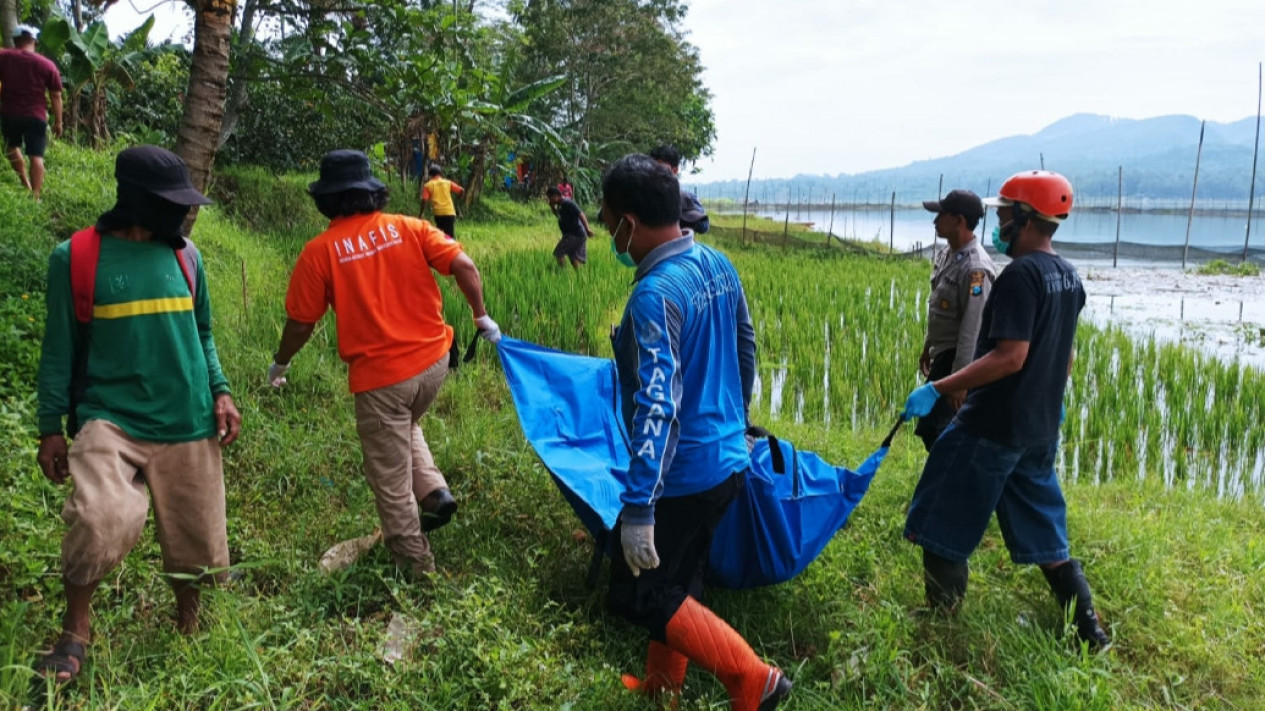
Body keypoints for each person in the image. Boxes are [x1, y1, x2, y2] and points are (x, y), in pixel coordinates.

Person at [33, 146, 240, 683]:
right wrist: (50, 427)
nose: (184, 214)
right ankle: (75, 632)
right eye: (173, 204)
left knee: (199, 544)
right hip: (111, 420)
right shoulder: (76, 258)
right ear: (136, 201)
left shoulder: (187, 258)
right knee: (98, 518)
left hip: (187, 417)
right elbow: (58, 350)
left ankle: (189, 624)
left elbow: (202, 334)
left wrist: (220, 391)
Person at [600, 153, 791, 710]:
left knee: (641, 591)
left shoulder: (655, 295)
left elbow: (658, 405)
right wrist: (734, 420)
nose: (609, 235)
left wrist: (640, 506)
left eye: (608, 222)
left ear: (629, 222)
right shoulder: (716, 263)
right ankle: (664, 685)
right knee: (680, 578)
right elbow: (746, 347)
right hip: (727, 459)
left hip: (683, 472)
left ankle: (753, 678)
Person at [900, 170, 1111, 651]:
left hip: (990, 425)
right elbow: (1065, 354)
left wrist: (939, 388)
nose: (998, 225)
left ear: (1027, 220)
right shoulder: (1069, 276)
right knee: (1044, 530)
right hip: (1038, 428)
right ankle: (1090, 630)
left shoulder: (1020, 275)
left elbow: (1010, 356)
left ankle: (942, 618)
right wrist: (1048, 398)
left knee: (939, 517)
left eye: (1004, 217)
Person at [269, 149, 500, 580]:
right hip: (434, 364)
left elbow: (301, 323)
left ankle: (416, 571)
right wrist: (480, 317)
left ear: (326, 200)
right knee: (404, 423)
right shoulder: (409, 227)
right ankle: (434, 494)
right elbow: (464, 265)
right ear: (372, 193)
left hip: (382, 381)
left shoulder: (320, 252)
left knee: (390, 481)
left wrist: (280, 363)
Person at [914, 189, 996, 451]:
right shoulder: (947, 253)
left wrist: (961, 381)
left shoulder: (975, 268)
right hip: (943, 354)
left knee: (938, 427)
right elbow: (939, 308)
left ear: (959, 220)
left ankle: (950, 475)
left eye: (941, 215)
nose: (935, 221)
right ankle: (947, 473)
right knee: (932, 425)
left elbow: (973, 328)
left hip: (959, 360)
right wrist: (928, 347)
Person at [0, 24, 63, 201]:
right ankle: (35, 196)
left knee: (12, 148)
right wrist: (59, 122)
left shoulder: (3, 57)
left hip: (10, 113)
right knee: (36, 156)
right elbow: (56, 96)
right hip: (36, 116)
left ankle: (25, 182)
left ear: (15, 41)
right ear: (34, 41)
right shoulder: (47, 64)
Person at [648, 144, 710, 234]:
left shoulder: (686, 197)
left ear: (675, 170)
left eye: (661, 169)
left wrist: (685, 216)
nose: (656, 173)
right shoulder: (645, 196)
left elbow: (703, 226)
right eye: (652, 168)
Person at [546, 185, 593, 268]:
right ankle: (579, 275)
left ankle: (563, 272)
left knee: (559, 252)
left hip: (575, 234)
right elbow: (559, 216)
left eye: (550, 197)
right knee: (573, 257)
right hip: (574, 234)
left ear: (556, 196)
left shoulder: (568, 203)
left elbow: (581, 214)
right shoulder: (560, 204)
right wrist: (552, 207)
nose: (549, 200)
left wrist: (588, 229)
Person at [421, 164, 465, 239]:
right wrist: (458, 197)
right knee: (450, 234)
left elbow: (424, 200)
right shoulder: (448, 182)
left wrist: (421, 213)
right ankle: (451, 245)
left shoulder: (427, 185)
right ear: (440, 173)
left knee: (440, 234)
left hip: (438, 213)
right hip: (450, 212)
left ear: (430, 175)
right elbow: (461, 190)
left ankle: (442, 245)